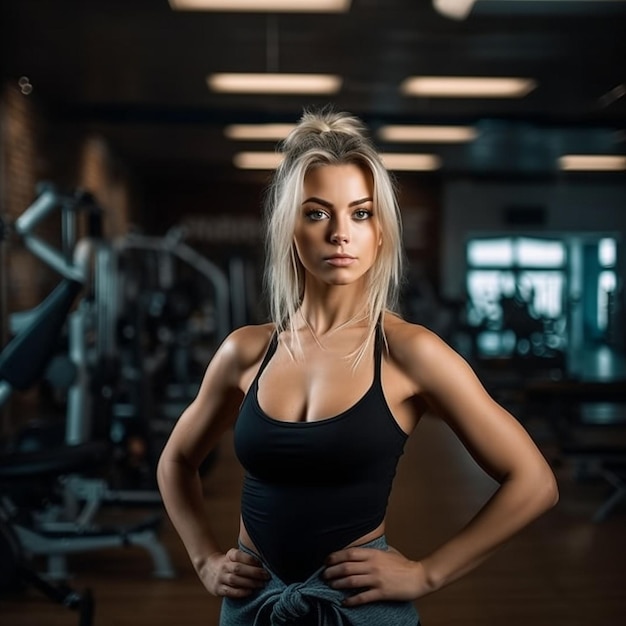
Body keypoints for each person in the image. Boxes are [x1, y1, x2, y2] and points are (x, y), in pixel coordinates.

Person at [157, 108, 559, 626]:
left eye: (361, 213)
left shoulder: (410, 352)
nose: (340, 233)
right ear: (289, 230)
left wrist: (427, 574)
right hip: (251, 604)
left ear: (381, 234)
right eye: (318, 213)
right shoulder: (246, 351)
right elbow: (176, 461)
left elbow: (534, 482)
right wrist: (204, 560)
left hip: (355, 608)